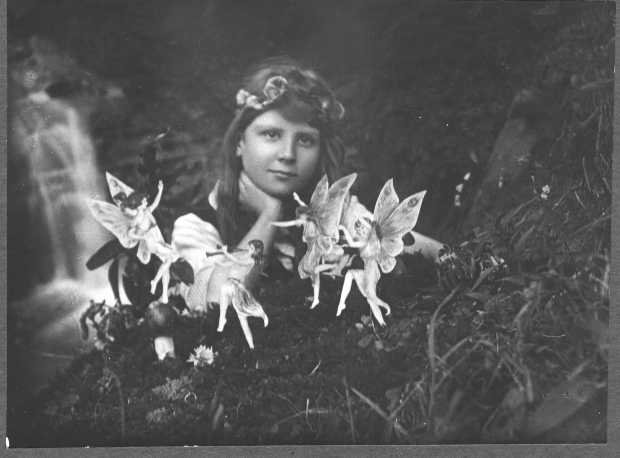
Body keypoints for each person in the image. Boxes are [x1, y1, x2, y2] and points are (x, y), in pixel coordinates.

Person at [170, 57, 445, 316]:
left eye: (305, 140)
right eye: (271, 134)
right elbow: (217, 303)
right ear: (240, 142)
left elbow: (430, 251)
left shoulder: (338, 213)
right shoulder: (197, 225)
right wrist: (269, 215)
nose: (288, 154)